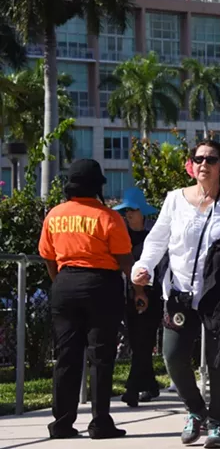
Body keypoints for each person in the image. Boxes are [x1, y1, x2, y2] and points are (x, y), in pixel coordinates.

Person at [132, 140, 220, 449]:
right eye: (198, 158)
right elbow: (158, 239)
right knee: (172, 357)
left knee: (219, 361)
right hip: (180, 292)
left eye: (211, 159)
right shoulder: (175, 199)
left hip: (217, 293)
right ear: (191, 164)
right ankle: (196, 411)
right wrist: (143, 267)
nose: (204, 164)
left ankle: (219, 423)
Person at [38, 159, 133, 439]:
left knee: (66, 356)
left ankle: (62, 423)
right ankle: (100, 423)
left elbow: (48, 257)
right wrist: (139, 289)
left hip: (65, 283)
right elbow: (125, 259)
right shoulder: (108, 217)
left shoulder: (54, 215)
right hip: (101, 285)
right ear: (97, 186)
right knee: (100, 356)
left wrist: (61, 282)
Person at [115, 187, 163, 408]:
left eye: (132, 210)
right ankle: (150, 384)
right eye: (126, 211)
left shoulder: (154, 233)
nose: (129, 215)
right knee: (138, 341)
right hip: (126, 293)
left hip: (152, 293)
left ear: (142, 211)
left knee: (145, 340)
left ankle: (132, 389)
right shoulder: (121, 233)